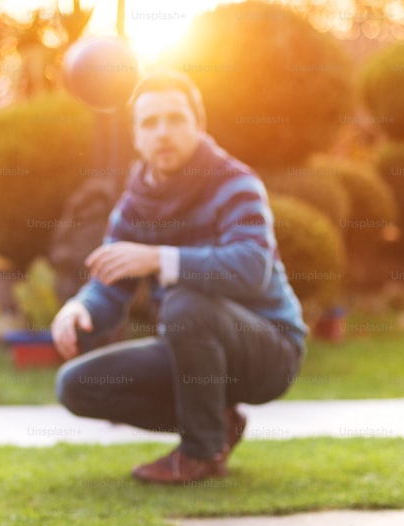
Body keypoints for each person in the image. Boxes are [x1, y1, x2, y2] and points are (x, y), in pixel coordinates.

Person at [52, 69, 307, 485]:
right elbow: (110, 283)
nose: (163, 132)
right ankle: (217, 424)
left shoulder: (235, 183)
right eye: (150, 123)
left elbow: (252, 270)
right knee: (77, 385)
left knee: (185, 303)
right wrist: (80, 308)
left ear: (198, 126)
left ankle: (201, 452)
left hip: (269, 349)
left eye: (175, 119)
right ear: (136, 136)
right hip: (191, 343)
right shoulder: (135, 203)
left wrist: (157, 258)